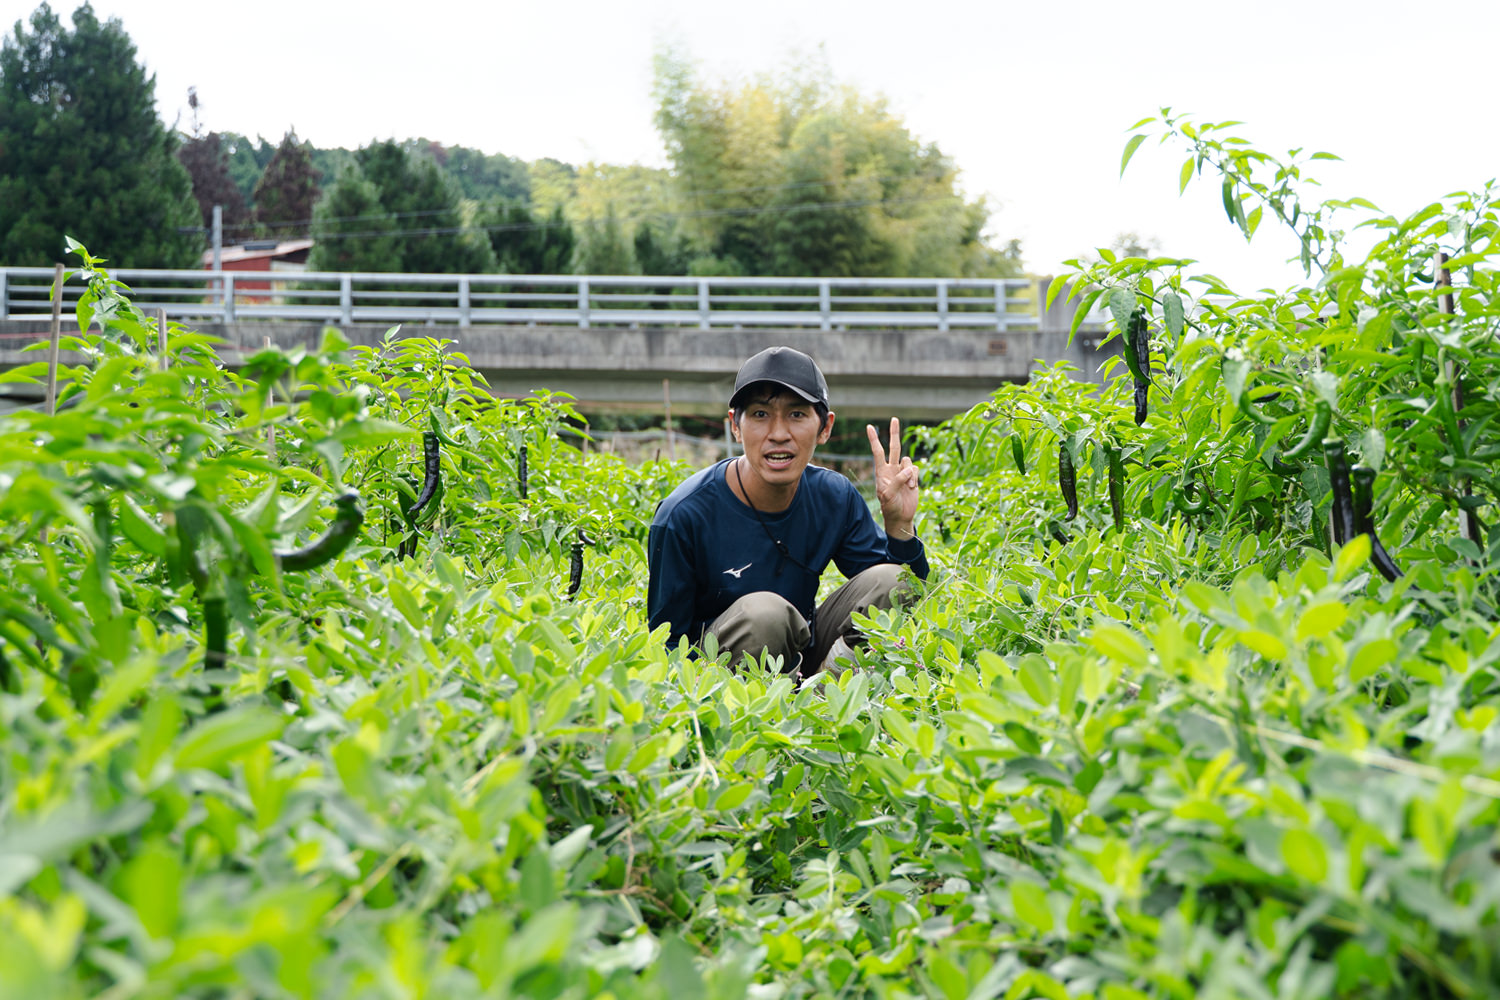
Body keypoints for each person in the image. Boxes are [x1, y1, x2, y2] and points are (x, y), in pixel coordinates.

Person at [647, 345, 929, 674]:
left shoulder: (833, 496)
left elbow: (905, 595)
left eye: (796, 415)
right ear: (735, 426)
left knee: (895, 581)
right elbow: (665, 645)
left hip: (803, 648)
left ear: (825, 428)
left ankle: (827, 698)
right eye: (760, 415)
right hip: (720, 667)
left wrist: (900, 526)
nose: (779, 434)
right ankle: (767, 704)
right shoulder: (683, 515)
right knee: (765, 614)